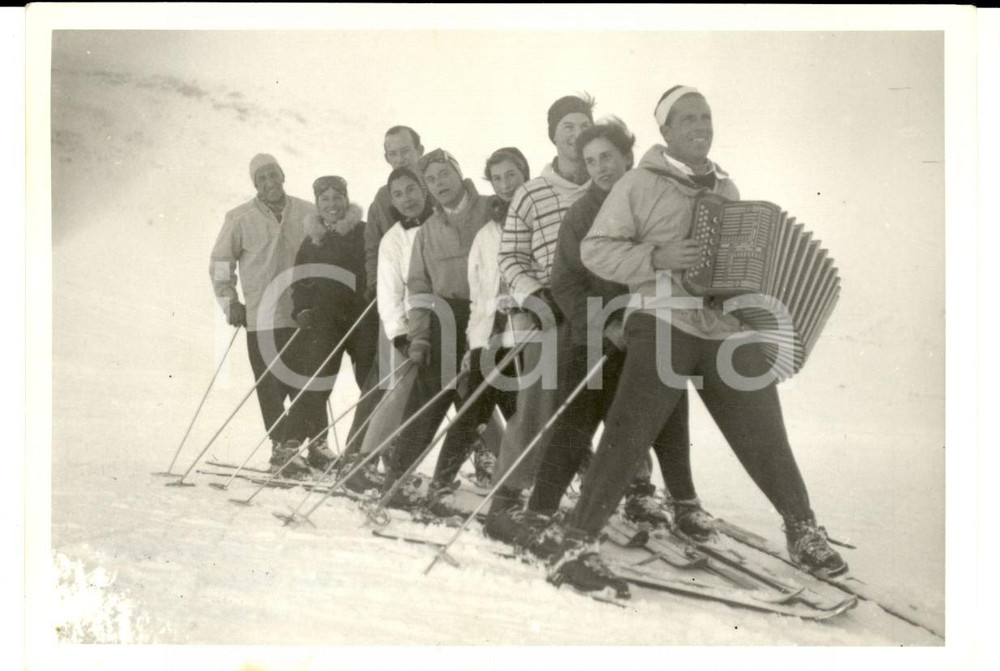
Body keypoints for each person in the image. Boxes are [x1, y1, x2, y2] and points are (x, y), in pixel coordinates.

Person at [545, 86, 848, 599]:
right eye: (687, 118)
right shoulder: (639, 182)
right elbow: (595, 250)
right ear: (665, 130)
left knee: (762, 422)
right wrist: (657, 258)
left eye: (705, 116)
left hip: (718, 323)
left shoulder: (727, 189)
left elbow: (741, 262)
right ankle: (575, 547)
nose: (700, 125)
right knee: (630, 429)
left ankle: (802, 529)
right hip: (661, 315)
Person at [508, 119, 713, 559]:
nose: (600, 167)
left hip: (654, 327)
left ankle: (680, 502)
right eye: (590, 161)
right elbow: (565, 283)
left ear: (628, 157)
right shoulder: (581, 214)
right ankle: (540, 508)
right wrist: (606, 324)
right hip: (598, 335)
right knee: (578, 417)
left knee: (668, 411)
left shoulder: (653, 199)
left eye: (607, 157)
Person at [484, 94, 595, 542]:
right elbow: (510, 256)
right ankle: (509, 495)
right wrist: (535, 296)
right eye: (567, 126)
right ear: (553, 134)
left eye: (583, 125)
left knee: (613, 396)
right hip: (551, 309)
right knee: (537, 401)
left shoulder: (610, 183)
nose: (576, 134)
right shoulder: (532, 193)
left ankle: (634, 486)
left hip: (604, 305)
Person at [379, 149, 493, 514]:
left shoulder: (490, 209)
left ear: (458, 172)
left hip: (491, 314)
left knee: (486, 398)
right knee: (429, 396)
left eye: (444, 174)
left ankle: (447, 480)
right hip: (447, 316)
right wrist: (420, 336)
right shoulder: (428, 230)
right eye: (431, 179)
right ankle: (398, 479)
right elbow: (418, 286)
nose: (439, 183)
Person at [209, 153, 319, 471]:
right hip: (262, 317)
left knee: (308, 383)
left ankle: (318, 445)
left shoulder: (308, 212)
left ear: (283, 175)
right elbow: (221, 264)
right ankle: (282, 449)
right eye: (262, 178)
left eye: (273, 175)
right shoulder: (239, 218)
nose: (270, 182)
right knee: (270, 387)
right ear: (255, 184)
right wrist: (230, 302)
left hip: (303, 314)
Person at [339, 166, 436, 494]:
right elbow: (389, 293)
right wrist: (400, 334)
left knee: (466, 386)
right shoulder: (393, 239)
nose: (406, 199)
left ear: (424, 190)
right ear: (392, 201)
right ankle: (362, 463)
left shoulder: (442, 224)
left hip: (450, 320)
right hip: (409, 325)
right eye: (398, 194)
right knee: (397, 390)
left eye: (411, 190)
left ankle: (499, 464)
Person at [284, 176, 378, 473]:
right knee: (316, 382)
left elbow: (378, 266)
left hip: (363, 318)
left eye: (337, 197)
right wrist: (302, 308)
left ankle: (375, 451)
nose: (332, 204)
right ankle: (290, 447)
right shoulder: (312, 239)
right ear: (317, 203)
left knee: (371, 382)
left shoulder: (363, 232)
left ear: (346, 199)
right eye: (324, 199)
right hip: (326, 321)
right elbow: (301, 281)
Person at [461, 147, 531, 487]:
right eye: (497, 178)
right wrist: (472, 341)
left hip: (531, 329)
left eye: (511, 175)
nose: (505, 184)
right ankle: (445, 478)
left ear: (525, 174)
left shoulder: (539, 218)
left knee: (531, 408)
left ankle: (576, 470)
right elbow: (477, 295)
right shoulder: (485, 234)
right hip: (491, 334)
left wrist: (524, 298)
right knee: (475, 406)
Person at [363, 126, 426, 302]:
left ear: (419, 151)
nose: (400, 159)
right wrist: (375, 283)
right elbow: (373, 247)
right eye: (393, 154)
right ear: (387, 158)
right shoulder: (382, 199)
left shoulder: (437, 185)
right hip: (402, 291)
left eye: (406, 151)